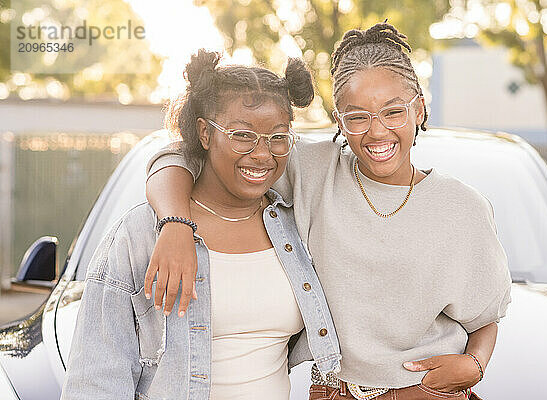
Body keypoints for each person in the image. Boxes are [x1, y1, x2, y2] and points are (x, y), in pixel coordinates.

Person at [144, 23, 511, 399]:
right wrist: (175, 224)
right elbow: (181, 156)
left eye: (392, 112)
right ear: (339, 122)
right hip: (333, 393)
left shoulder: (463, 207)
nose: (377, 131)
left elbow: (485, 319)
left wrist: (476, 365)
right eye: (358, 117)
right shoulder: (311, 171)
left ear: (418, 110)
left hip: (424, 392)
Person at [60, 49, 343, 400]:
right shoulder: (140, 235)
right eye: (242, 134)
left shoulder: (298, 224)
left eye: (278, 136)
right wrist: (176, 223)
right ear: (205, 134)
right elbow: (96, 381)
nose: (262, 153)